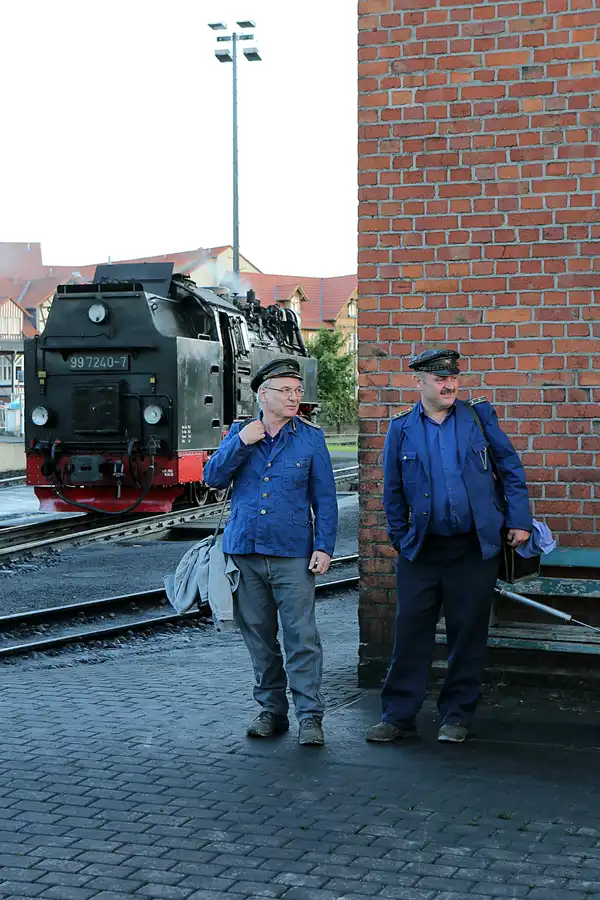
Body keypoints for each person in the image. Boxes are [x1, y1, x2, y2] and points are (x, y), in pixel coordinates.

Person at [365, 349, 532, 745]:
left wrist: (520, 520)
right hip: (421, 550)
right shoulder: (401, 429)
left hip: (472, 550)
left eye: (453, 378)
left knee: (467, 634)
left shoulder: (478, 418)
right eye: (440, 379)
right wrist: (402, 538)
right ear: (418, 382)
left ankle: (457, 715)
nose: (450, 384)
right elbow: (391, 492)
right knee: (410, 633)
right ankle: (399, 716)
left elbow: (511, 468)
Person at [203, 358, 338, 746]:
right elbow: (212, 477)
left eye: (297, 391)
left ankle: (310, 716)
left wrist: (324, 546)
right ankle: (271, 711)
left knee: (302, 637)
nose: (294, 397)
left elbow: (325, 499)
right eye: (285, 391)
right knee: (259, 637)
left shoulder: (310, 438)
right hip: (245, 550)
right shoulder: (240, 432)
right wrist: (242, 442)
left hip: (293, 553)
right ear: (263, 394)